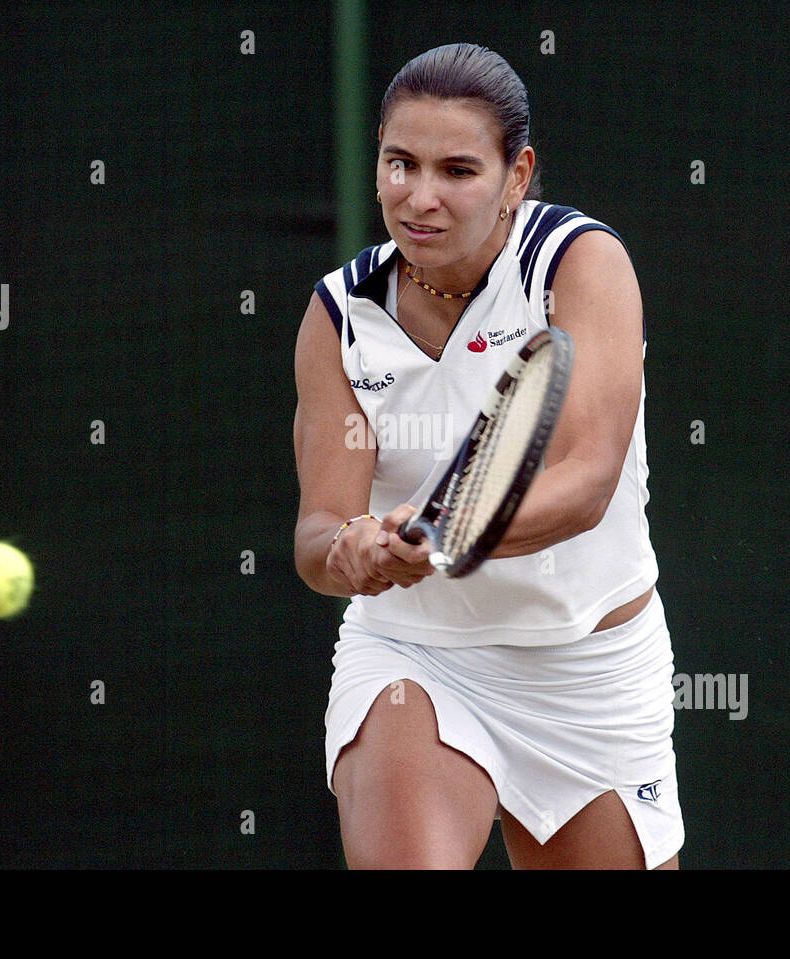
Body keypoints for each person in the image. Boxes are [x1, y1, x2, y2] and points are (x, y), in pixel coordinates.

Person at [292, 43, 683, 869]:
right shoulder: (338, 315)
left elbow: (584, 481)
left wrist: (446, 535)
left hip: (593, 673)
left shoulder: (579, 264)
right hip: (417, 657)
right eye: (399, 163)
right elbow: (316, 534)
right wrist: (353, 551)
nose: (419, 197)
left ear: (517, 174)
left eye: (458, 170)